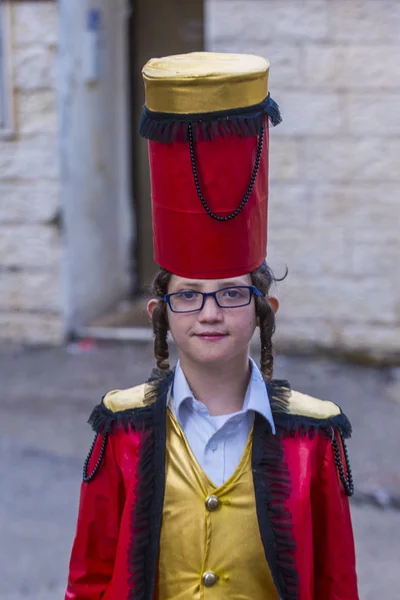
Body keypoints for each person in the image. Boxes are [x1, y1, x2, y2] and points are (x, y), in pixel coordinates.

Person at [65, 52, 359, 600]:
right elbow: (88, 581)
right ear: (159, 315)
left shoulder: (315, 438)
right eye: (188, 297)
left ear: (263, 311)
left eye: (230, 293)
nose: (209, 312)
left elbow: (337, 587)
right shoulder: (121, 430)